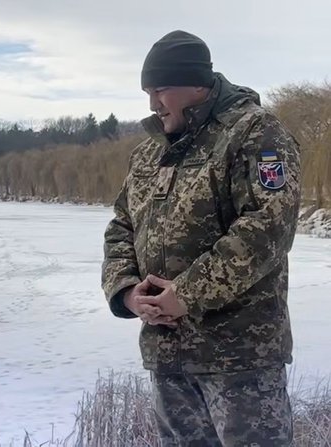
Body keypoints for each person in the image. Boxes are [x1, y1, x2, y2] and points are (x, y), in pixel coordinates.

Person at [101, 30, 300, 446]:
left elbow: (268, 226)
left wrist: (187, 294)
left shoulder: (254, 133)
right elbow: (121, 226)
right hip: (168, 356)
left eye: (160, 91)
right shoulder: (148, 153)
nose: (153, 104)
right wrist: (128, 293)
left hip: (240, 358)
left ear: (196, 84)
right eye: (148, 92)